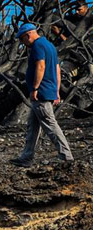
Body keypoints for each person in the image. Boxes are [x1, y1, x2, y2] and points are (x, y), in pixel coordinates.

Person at [10, 24, 74, 168]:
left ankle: (66, 156)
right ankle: (26, 157)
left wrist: (35, 88)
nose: (22, 43)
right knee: (33, 125)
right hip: (48, 90)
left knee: (50, 124)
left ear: (28, 34)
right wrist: (56, 91)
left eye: (22, 39)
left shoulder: (38, 46)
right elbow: (57, 69)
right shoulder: (50, 46)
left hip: (41, 92)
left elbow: (41, 66)